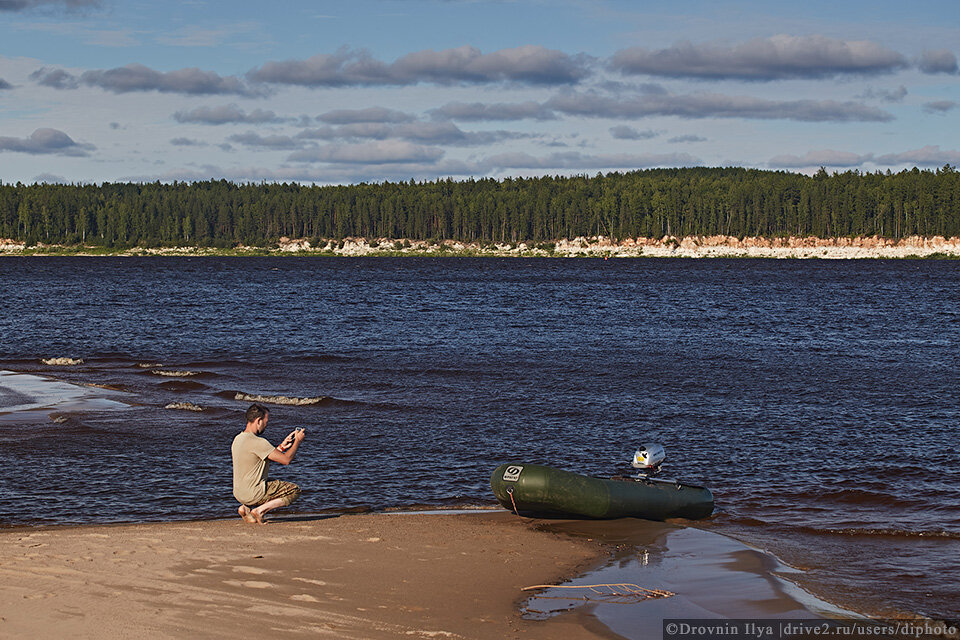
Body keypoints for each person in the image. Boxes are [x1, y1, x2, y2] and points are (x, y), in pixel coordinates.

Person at [231, 403, 305, 525]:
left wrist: (281, 447)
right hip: (253, 494)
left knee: (266, 481)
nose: (266, 425)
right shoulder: (258, 442)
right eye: (266, 422)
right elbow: (286, 460)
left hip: (239, 493)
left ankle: (245, 508)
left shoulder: (238, 439)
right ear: (259, 421)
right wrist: (297, 441)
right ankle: (260, 511)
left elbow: (259, 459)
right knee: (294, 490)